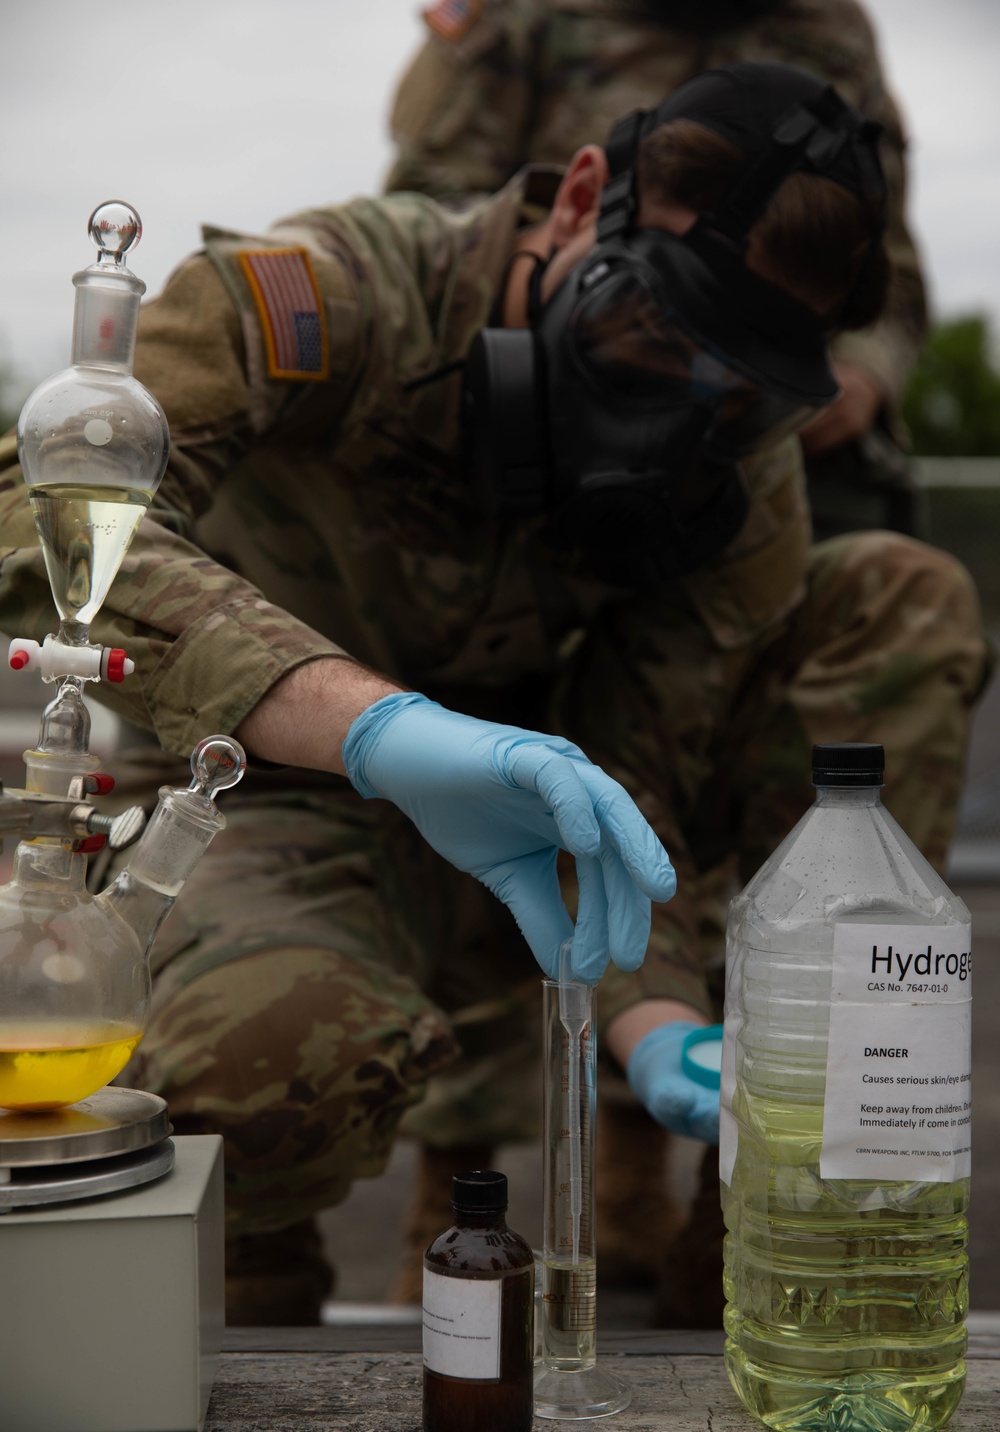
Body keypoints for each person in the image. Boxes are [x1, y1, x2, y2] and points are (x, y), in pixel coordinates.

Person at [0, 62, 984, 1327]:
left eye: (740, 385)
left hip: (555, 817)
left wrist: (658, 1023)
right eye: (652, 329)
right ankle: (230, 1302)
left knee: (899, 588)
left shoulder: (740, 465)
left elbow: (647, 773)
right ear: (581, 200)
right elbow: (44, 524)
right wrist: (373, 725)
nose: (685, 403)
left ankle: (782, 1245)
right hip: (270, 791)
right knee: (261, 1072)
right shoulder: (332, 298)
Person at [386, 0, 928, 540]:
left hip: (741, 421)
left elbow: (890, 272)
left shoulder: (836, 29)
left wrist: (861, 375)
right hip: (538, 374)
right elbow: (431, 205)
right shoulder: (518, 11)